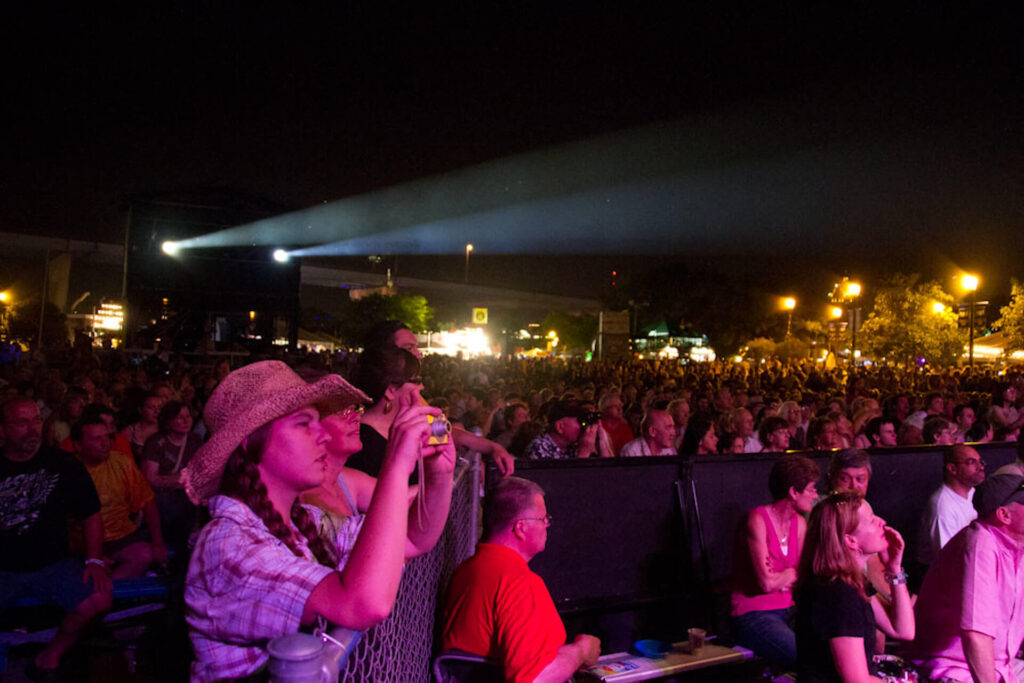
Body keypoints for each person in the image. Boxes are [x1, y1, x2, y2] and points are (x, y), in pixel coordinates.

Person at [181, 360, 454, 682]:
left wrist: (440, 474)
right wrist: (395, 463)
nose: (323, 435)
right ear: (250, 442)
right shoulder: (228, 545)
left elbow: (411, 539)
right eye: (303, 423)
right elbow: (363, 604)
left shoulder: (301, 522)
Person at [442, 477, 601, 682]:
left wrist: (567, 662)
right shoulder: (520, 583)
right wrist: (581, 651)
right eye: (543, 519)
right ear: (521, 528)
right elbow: (534, 678)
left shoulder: (467, 569)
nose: (547, 525)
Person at [1, 398, 113, 677]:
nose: (32, 429)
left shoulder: (61, 464)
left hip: (52, 564)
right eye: (21, 422)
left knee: (99, 600)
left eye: (36, 420)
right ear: (2, 429)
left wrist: (94, 560)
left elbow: (91, 513)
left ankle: (51, 655)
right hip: (3, 568)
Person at [299, 393, 450, 568]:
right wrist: (397, 458)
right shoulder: (305, 502)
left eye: (356, 409)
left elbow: (402, 506)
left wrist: (440, 475)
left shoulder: (345, 479)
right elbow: (406, 538)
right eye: (342, 412)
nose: (356, 417)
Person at [906, 473, 1024, 682]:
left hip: (1001, 666)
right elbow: (975, 635)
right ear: (1004, 515)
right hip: (954, 668)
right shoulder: (981, 543)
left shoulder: (1016, 545)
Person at [361, 323, 515, 476]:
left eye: (416, 348)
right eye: (409, 349)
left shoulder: (412, 398)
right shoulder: (363, 437)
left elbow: (441, 431)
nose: (418, 355)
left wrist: (492, 447)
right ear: (384, 354)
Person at [795, 491, 914, 682]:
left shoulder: (851, 583)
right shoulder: (838, 594)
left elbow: (904, 631)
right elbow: (856, 680)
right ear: (850, 540)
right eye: (871, 520)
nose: (881, 522)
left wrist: (894, 569)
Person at [730, 455, 820, 668]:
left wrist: (789, 574)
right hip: (754, 613)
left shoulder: (799, 523)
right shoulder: (757, 519)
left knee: (829, 647)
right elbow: (766, 583)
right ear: (793, 492)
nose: (815, 495)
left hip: (789, 608)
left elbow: (803, 573)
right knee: (805, 659)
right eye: (811, 489)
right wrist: (789, 573)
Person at [72, 415, 168, 578]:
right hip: (81, 543)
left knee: (144, 555)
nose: (105, 444)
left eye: (108, 437)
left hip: (121, 537)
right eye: (96, 439)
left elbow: (147, 502)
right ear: (78, 445)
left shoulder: (121, 462)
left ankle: (110, 590)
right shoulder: (68, 471)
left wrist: (158, 543)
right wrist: (94, 558)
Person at [140, 400, 202, 559]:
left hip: (189, 493)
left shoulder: (195, 441)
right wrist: (177, 480)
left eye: (188, 416)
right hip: (163, 497)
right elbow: (150, 478)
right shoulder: (155, 443)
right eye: (180, 417)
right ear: (168, 421)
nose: (186, 420)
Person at [915, 444, 984, 566]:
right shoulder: (942, 507)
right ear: (952, 468)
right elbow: (947, 559)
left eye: (980, 462)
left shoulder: (973, 492)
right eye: (972, 462)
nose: (981, 467)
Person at [526, 401, 606, 460]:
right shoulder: (539, 448)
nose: (583, 427)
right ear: (560, 427)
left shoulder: (572, 446)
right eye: (580, 422)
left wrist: (602, 439)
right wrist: (584, 452)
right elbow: (566, 481)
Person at [120, 391, 165, 462]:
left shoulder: (166, 430)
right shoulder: (129, 433)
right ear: (140, 410)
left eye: (159, 408)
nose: (157, 411)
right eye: (151, 407)